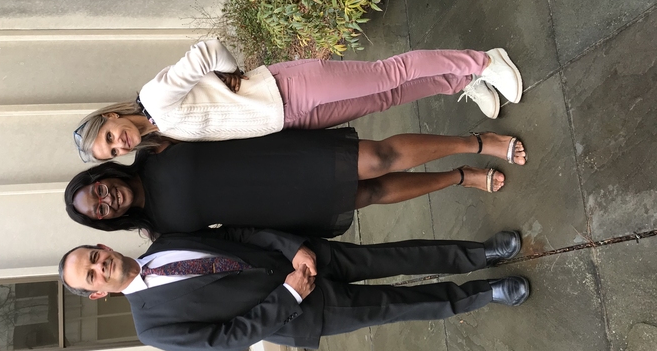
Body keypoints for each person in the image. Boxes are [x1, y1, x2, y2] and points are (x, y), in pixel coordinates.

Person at [57, 226, 529, 351]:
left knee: (399, 256)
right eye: (92, 276)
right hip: (299, 312)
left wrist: (295, 246)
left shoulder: (164, 240)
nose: (101, 267)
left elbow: (238, 234)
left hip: (305, 259)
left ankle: (481, 254)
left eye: (94, 258)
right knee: (402, 304)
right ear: (98, 294)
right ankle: (487, 293)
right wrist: (289, 296)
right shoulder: (151, 327)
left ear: (102, 246)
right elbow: (227, 338)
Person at [71, 40, 523, 162]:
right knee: (385, 97)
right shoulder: (162, 135)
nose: (119, 144)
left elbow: (207, 50)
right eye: (112, 151)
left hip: (289, 89)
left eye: (110, 136)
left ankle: (482, 61)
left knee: (389, 72)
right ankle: (457, 81)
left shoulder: (154, 99)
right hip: (288, 120)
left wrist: (233, 76)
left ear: (112, 116)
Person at [65, 128, 526, 238]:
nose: (105, 200)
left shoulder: (153, 147)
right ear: (110, 220)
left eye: (98, 191)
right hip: (279, 208)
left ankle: (478, 142)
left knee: (378, 157)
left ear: (104, 175)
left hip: (283, 156)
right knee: (372, 193)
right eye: (100, 210)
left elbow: (214, 118)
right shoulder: (160, 231)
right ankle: (460, 176)